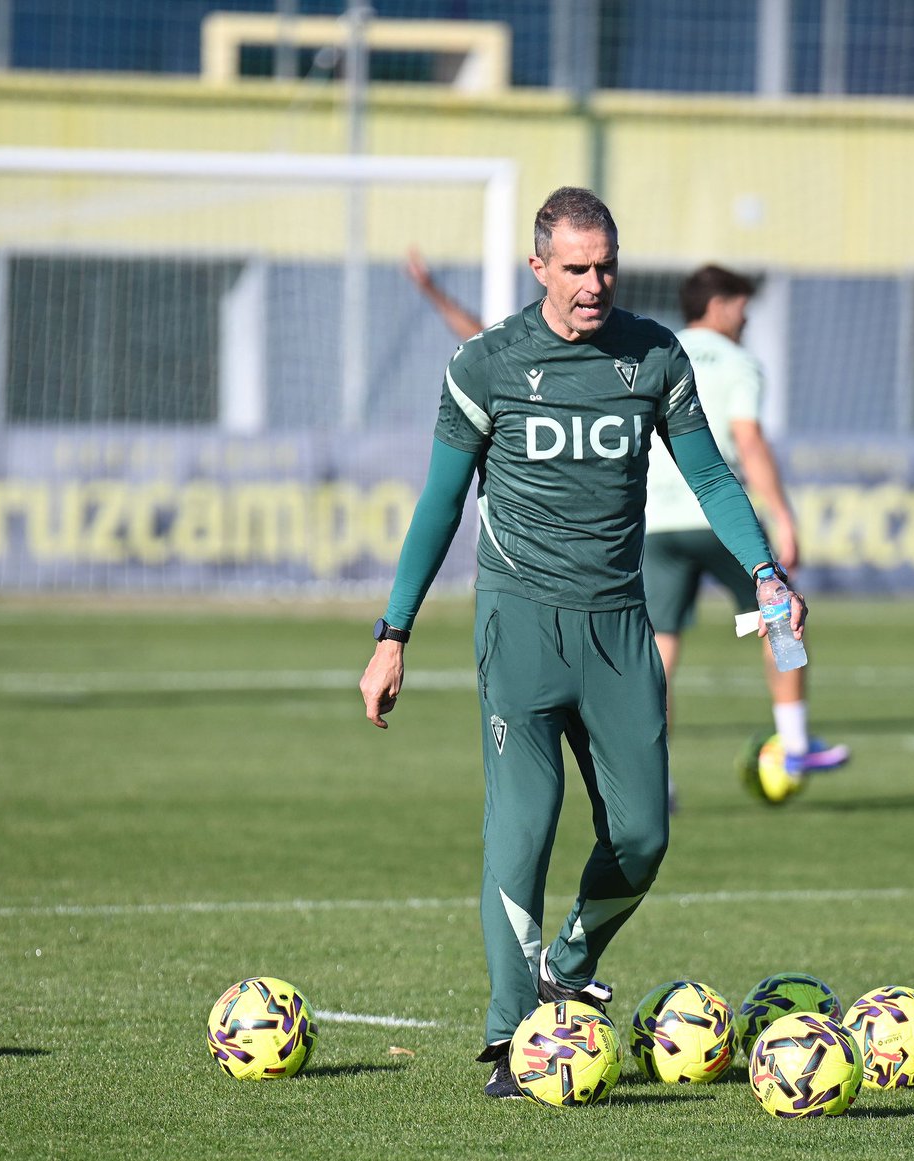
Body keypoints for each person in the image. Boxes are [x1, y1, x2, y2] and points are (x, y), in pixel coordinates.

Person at [360, 188, 806, 1098]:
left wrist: (765, 572)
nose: (594, 284)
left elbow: (713, 477)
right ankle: (510, 1038)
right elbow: (440, 505)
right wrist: (392, 633)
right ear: (539, 270)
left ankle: (570, 960)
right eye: (575, 268)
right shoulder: (485, 366)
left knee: (642, 836)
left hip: (618, 630)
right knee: (521, 831)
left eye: (606, 266)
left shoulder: (654, 356)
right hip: (518, 626)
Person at [644, 265, 849, 805]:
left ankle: (653, 779)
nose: (747, 316)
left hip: (658, 521)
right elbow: (748, 439)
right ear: (717, 306)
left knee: (660, 648)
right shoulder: (738, 363)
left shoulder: (655, 351)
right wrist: (781, 514)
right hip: (720, 515)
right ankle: (797, 740)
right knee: (779, 611)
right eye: (741, 305)